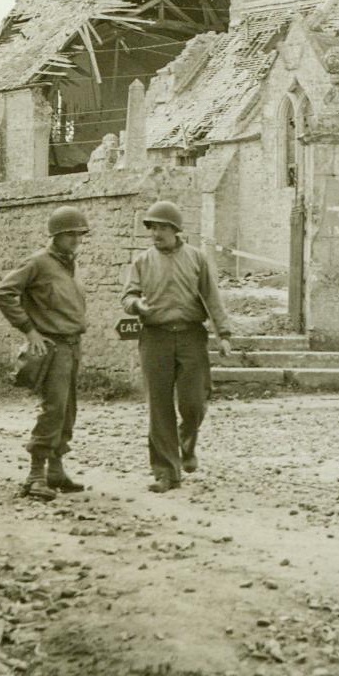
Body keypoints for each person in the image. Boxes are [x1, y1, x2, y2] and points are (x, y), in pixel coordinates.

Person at [121, 200, 233, 493]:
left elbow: (212, 297)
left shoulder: (196, 258)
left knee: (194, 403)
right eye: (152, 228)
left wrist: (224, 333)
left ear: (175, 230)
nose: (156, 234)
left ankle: (186, 440)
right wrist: (136, 304)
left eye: (161, 228)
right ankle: (166, 473)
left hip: (191, 337)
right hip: (155, 338)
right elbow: (128, 296)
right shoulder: (142, 261)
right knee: (159, 408)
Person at [0, 205, 90, 501]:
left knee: (68, 409)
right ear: (55, 236)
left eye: (79, 234)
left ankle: (56, 470)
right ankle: (35, 475)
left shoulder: (68, 263)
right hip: (53, 346)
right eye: (69, 234)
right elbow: (3, 293)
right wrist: (30, 331)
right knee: (54, 408)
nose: (75, 239)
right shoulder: (38, 263)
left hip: (73, 345)